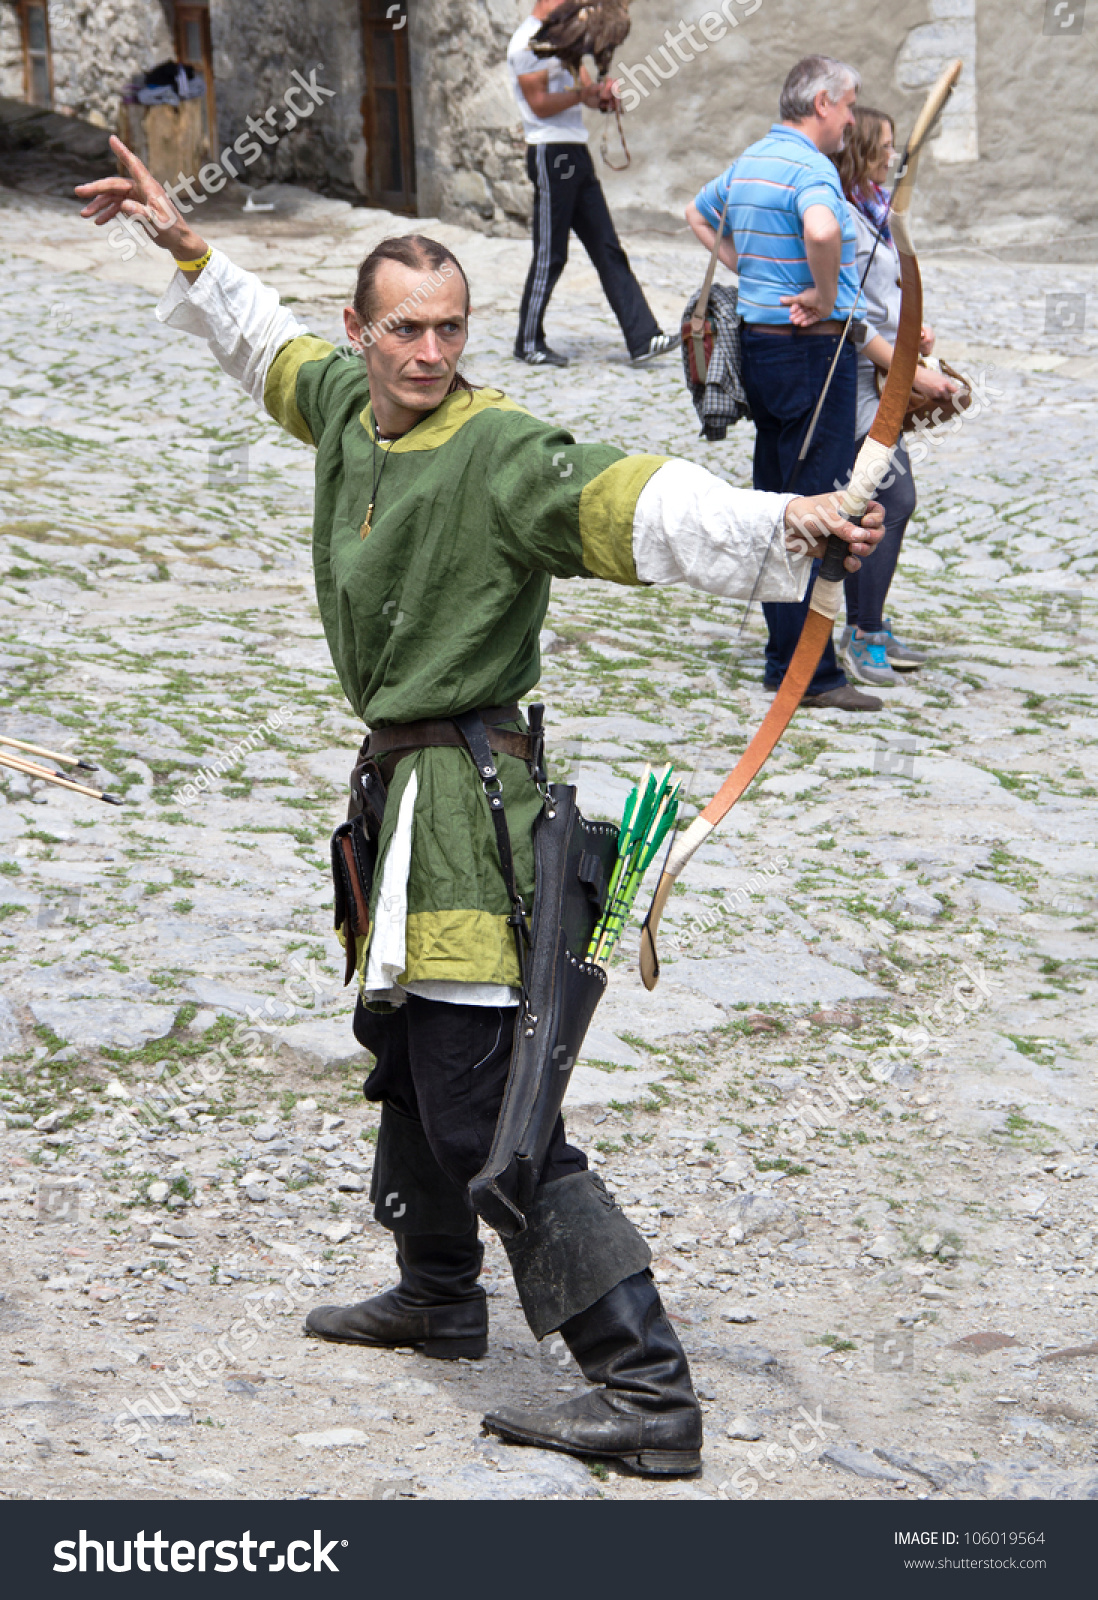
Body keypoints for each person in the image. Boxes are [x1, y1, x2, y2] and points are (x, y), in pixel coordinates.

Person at [75, 137, 882, 1479]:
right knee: (402, 1047)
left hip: (471, 812)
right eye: (405, 327)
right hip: (395, 798)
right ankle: (438, 1292)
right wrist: (184, 242)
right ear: (364, 329)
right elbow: (264, 348)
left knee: (487, 1112)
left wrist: (785, 521)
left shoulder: (499, 446)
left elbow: (626, 498)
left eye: (448, 327)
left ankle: (645, 1388)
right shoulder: (343, 402)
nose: (430, 351)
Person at [686, 55, 880, 714]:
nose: (852, 119)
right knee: (821, 504)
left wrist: (754, 274)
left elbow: (697, 212)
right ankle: (812, 675)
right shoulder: (810, 168)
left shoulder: (752, 160)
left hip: (764, 349)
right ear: (823, 102)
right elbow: (823, 229)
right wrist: (825, 296)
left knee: (776, 500)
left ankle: (783, 659)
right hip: (811, 352)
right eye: (849, 105)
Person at [834, 105, 959, 686]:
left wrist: (916, 332)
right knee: (892, 494)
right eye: (883, 146)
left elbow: (884, 297)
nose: (892, 156)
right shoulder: (849, 218)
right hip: (860, 382)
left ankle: (869, 625)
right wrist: (911, 370)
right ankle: (860, 632)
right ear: (861, 149)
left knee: (887, 499)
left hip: (883, 374)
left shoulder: (873, 209)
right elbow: (852, 319)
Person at [508, 0, 678, 369]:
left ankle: (643, 337)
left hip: (575, 151)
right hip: (550, 153)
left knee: (607, 247)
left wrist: (602, 96)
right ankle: (528, 341)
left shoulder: (567, 35)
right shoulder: (526, 43)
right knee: (551, 253)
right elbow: (538, 104)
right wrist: (582, 96)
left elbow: (585, 88)